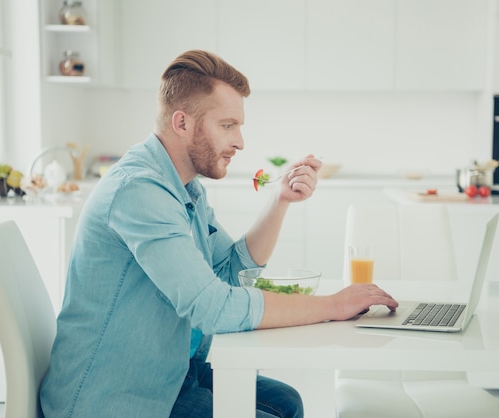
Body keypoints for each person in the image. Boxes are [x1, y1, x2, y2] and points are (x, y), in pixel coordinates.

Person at [39, 50, 398, 418]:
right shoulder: (139, 191)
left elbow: (230, 271)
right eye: (227, 125)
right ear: (182, 123)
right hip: (113, 398)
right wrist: (333, 306)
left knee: (287, 403)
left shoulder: (185, 187)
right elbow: (212, 307)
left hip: (173, 375)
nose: (240, 141)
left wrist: (280, 201)